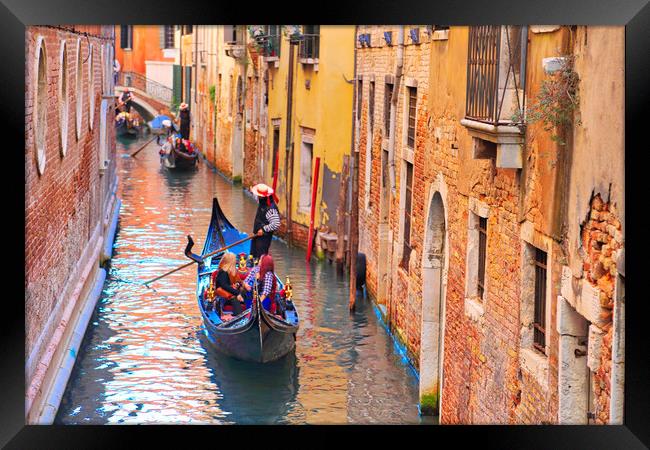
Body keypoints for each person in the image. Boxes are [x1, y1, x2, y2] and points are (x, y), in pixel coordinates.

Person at [250, 183, 280, 259]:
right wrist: (252, 191)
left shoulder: (271, 209)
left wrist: (263, 229)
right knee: (254, 255)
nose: (257, 197)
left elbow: (276, 224)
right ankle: (254, 267)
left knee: (261, 256)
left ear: (262, 196)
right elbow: (257, 199)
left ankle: (259, 268)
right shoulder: (263, 201)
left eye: (258, 195)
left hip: (264, 238)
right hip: (257, 235)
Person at [212, 252, 245, 317]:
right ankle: (239, 316)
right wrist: (237, 293)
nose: (236, 261)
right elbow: (224, 285)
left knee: (244, 292)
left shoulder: (232, 271)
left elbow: (238, 281)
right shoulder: (222, 272)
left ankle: (245, 312)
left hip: (230, 293)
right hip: (222, 296)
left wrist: (237, 285)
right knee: (234, 298)